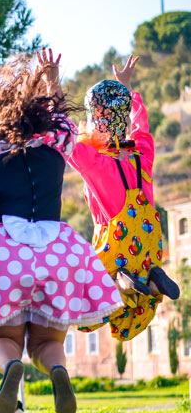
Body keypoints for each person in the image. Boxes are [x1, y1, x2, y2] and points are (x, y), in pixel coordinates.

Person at [0, 49, 122, 413]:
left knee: (0, 340)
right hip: (58, 253)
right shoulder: (58, 145)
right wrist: (50, 77)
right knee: (46, 343)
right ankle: (58, 370)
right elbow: (60, 118)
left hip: (2, 256)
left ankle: (10, 364)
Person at [68, 55, 179, 341]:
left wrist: (50, 87)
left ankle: (120, 283)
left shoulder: (92, 161)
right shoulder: (144, 153)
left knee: (85, 300)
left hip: (116, 239)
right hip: (148, 238)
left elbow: (62, 136)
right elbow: (141, 126)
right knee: (137, 294)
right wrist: (126, 89)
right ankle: (152, 280)